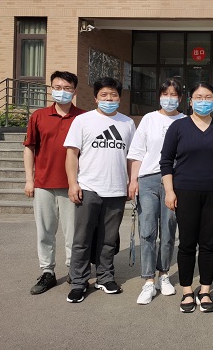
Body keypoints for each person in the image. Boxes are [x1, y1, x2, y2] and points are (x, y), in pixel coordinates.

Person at [64, 77, 135, 303]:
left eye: (113, 95)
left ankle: (105, 277)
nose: (109, 99)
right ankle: (79, 281)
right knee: (82, 238)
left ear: (120, 98)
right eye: (104, 95)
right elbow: (71, 154)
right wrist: (73, 183)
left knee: (109, 239)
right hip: (88, 187)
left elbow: (132, 157)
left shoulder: (127, 123)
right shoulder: (83, 121)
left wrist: (132, 182)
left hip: (116, 190)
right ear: (95, 97)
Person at [160, 82, 213, 314]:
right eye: (198, 97)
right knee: (187, 244)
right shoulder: (178, 127)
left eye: (208, 97)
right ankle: (187, 290)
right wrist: (169, 191)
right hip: (185, 192)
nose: (203, 101)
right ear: (190, 101)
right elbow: (166, 161)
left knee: (208, 244)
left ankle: (205, 290)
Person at [24, 71, 85, 295]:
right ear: (51, 89)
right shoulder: (39, 116)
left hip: (72, 185)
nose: (62, 92)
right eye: (57, 87)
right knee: (45, 232)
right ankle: (47, 271)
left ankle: (73, 270)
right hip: (43, 183)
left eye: (67, 88)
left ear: (75, 91)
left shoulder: (83, 117)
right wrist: (29, 179)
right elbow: (29, 148)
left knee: (73, 233)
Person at [127, 79, 185, 305]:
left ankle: (164, 274)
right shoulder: (149, 119)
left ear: (180, 98)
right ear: (159, 96)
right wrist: (133, 180)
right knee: (148, 230)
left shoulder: (185, 121)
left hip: (174, 181)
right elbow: (137, 151)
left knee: (169, 230)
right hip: (148, 179)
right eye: (165, 94)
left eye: (173, 94)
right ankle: (148, 280)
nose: (169, 98)